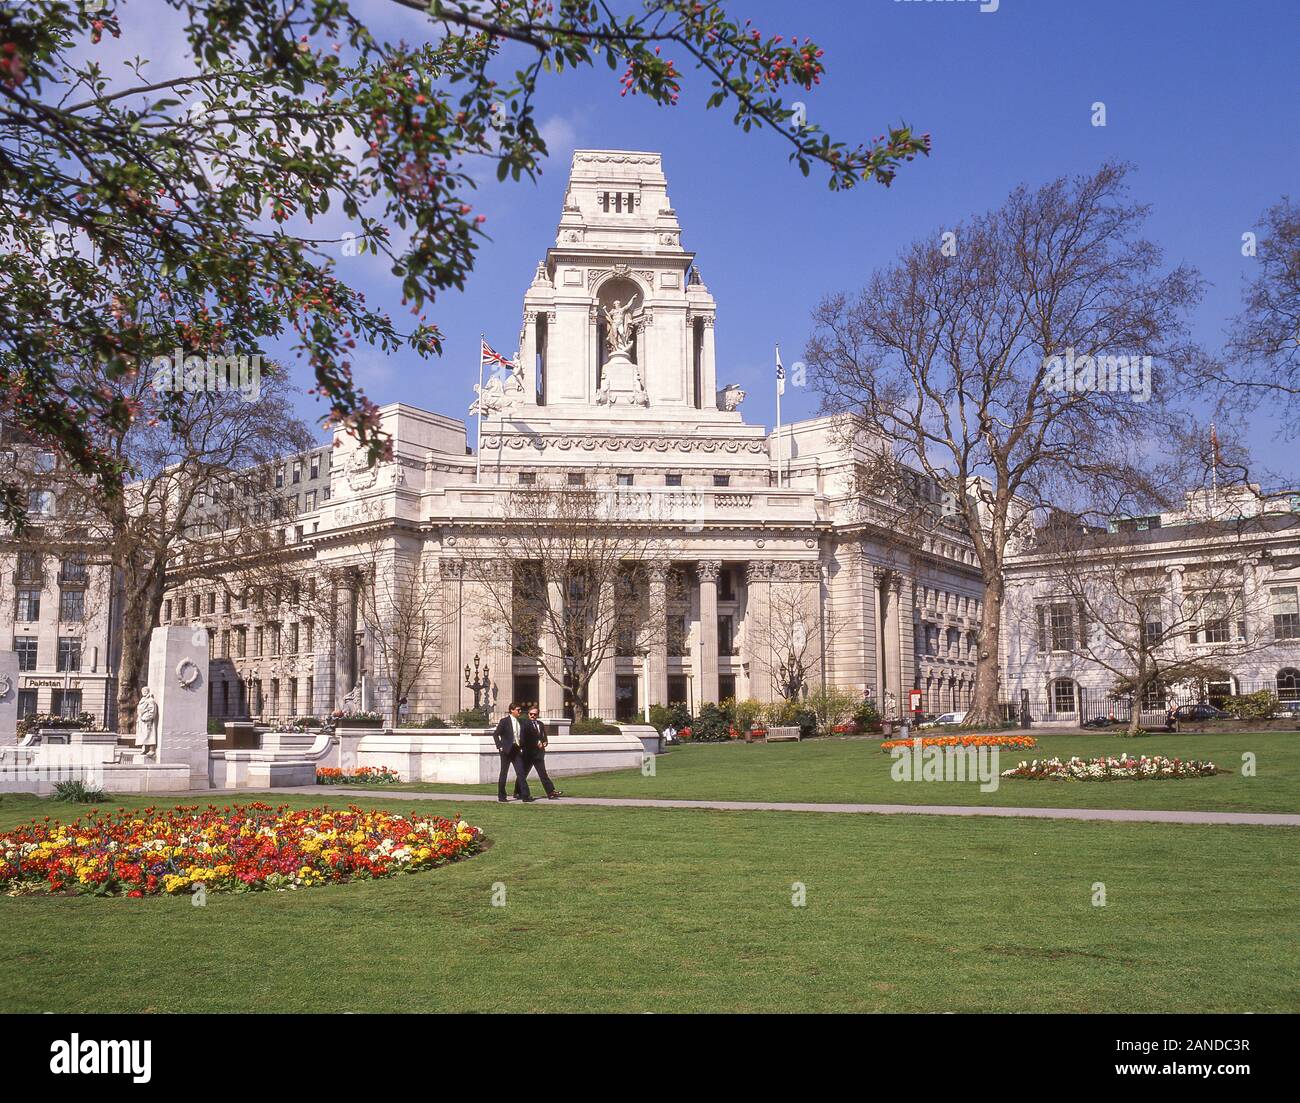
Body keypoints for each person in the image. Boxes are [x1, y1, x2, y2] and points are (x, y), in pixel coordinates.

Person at [515, 706, 562, 800]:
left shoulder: (540, 724)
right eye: (531, 714)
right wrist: (535, 744)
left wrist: (545, 743)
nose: (533, 716)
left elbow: (544, 737)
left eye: (535, 714)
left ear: (538, 715)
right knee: (523, 774)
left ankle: (551, 792)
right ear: (528, 714)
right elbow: (524, 739)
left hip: (538, 754)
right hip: (528, 754)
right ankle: (517, 792)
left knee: (543, 774)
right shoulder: (524, 724)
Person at [491, 702, 532, 802]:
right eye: (518, 710)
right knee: (504, 773)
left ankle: (525, 796)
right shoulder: (504, 721)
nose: (520, 711)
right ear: (511, 710)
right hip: (506, 751)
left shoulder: (521, 722)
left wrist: (523, 746)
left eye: (520, 710)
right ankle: (501, 796)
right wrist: (500, 746)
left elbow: (523, 736)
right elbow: (496, 734)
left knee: (521, 773)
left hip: (516, 750)